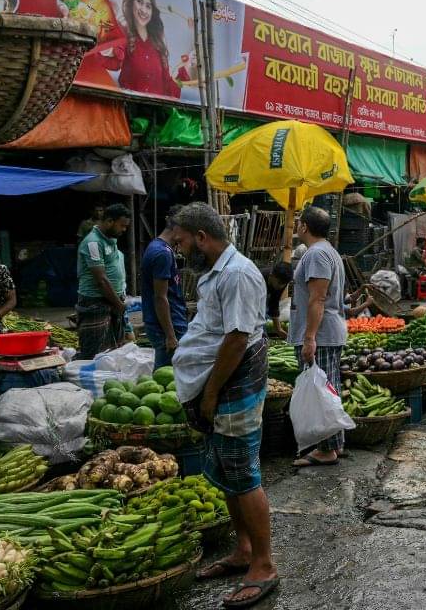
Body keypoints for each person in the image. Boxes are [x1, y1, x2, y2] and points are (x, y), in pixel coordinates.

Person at [171, 203, 278, 607]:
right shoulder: (216, 273)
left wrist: (212, 393)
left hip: (235, 383)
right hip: (221, 382)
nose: (179, 250)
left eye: (182, 242)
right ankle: (244, 549)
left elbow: (236, 339)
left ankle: (264, 565)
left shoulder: (236, 274)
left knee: (243, 473)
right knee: (229, 472)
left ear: (201, 238)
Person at [288, 207, 348, 469]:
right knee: (328, 388)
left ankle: (327, 449)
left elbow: (318, 298)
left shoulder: (316, 254)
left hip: (321, 335)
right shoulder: (327, 251)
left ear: (304, 227)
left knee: (321, 392)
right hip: (326, 332)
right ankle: (334, 443)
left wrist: (309, 337)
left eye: (298, 223)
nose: (296, 226)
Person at [99, 0, 185, 98]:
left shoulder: (158, 44)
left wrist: (185, 70)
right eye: (139, 1)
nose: (144, 10)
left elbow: (168, 90)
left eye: (148, 6)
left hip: (156, 109)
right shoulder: (123, 32)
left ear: (152, 11)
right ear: (131, 2)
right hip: (130, 106)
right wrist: (108, 49)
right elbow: (114, 60)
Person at [75, 203, 132, 360]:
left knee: (114, 351)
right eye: (122, 225)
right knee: (95, 352)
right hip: (95, 302)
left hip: (114, 301)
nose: (124, 230)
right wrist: (119, 304)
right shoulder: (93, 242)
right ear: (109, 221)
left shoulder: (111, 240)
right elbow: (101, 280)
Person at [140, 207, 188, 369]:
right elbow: (160, 297)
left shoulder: (160, 248)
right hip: (167, 326)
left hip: (169, 322)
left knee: (168, 373)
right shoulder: (162, 253)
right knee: (167, 373)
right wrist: (170, 335)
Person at [263, 263, 292, 339]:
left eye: (284, 284)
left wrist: (278, 329)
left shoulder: (281, 282)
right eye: (279, 283)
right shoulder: (259, 278)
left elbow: (274, 305)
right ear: (271, 275)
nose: (281, 286)